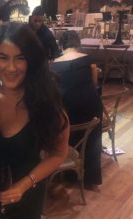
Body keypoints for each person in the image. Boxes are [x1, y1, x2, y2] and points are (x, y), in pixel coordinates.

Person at [0, 22, 69, 219]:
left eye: (20, 59)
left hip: (25, 197)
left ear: (32, 61)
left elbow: (58, 153)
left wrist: (25, 184)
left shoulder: (45, 101)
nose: (11, 68)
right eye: (3, 57)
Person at [51, 30, 103, 188]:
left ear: (61, 45)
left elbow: (54, 90)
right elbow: (94, 84)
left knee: (70, 137)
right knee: (92, 140)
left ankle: (69, 173)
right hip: (90, 103)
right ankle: (90, 178)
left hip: (67, 107)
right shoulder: (88, 60)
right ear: (77, 44)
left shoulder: (54, 65)